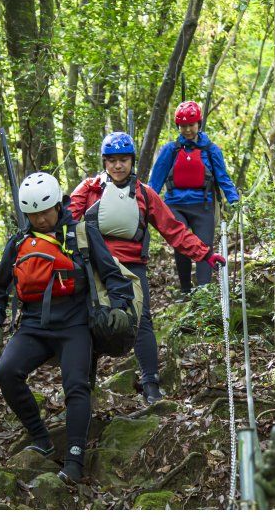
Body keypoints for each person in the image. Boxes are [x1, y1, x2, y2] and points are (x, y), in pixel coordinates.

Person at [0, 172, 134, 485]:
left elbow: (111, 273)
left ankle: (75, 460)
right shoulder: (19, 243)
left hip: (75, 324)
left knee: (76, 386)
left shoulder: (80, 232)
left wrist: (120, 307)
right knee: (6, 371)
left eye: (45, 211)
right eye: (33, 214)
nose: (40, 219)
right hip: (33, 326)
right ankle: (40, 437)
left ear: (57, 204)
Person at [69, 132, 225, 404]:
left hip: (132, 267)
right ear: (105, 162)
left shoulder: (144, 194)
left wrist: (205, 254)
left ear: (132, 161)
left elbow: (173, 230)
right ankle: (84, 388)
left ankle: (151, 384)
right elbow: (66, 221)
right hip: (95, 266)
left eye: (124, 160)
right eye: (113, 161)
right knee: (89, 322)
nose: (118, 166)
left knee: (141, 322)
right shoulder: (89, 189)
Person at [148, 100, 240, 296]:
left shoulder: (211, 150)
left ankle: (203, 293)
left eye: (191, 125)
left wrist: (234, 200)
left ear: (199, 124)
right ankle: (185, 291)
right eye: (183, 126)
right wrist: (143, 205)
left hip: (203, 205)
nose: (187, 130)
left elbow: (223, 177)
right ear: (178, 126)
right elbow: (155, 182)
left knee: (204, 249)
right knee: (182, 244)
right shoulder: (170, 150)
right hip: (175, 206)